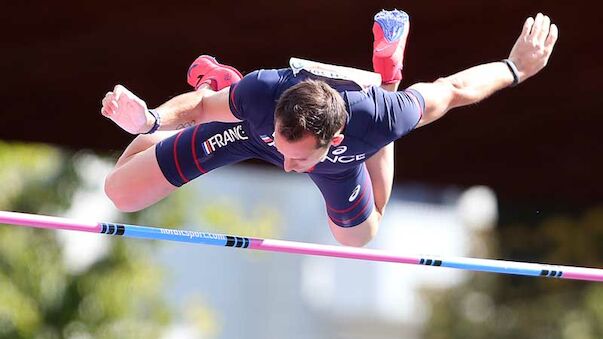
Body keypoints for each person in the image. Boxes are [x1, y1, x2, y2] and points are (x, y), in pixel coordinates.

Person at [101, 10, 558, 247]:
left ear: (332, 141)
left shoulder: (380, 116)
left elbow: (453, 89)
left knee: (360, 235)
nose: (286, 166)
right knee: (120, 193)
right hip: (245, 128)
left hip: (350, 150)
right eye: (284, 150)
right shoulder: (264, 95)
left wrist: (514, 67)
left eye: (299, 157)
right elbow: (200, 107)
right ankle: (227, 87)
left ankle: (388, 72)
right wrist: (151, 120)